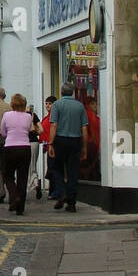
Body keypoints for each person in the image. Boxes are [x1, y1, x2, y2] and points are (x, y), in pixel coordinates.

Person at [47, 82, 89, 212]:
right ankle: (72, 203)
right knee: (73, 171)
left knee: (56, 168)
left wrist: (50, 143)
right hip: (75, 141)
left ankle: (62, 192)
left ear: (61, 92)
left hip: (60, 140)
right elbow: (84, 128)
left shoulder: (57, 105)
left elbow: (53, 126)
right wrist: (84, 147)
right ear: (72, 92)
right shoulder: (80, 106)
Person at [0, 93, 35, 215]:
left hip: (10, 147)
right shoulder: (28, 116)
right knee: (23, 177)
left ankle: (14, 197)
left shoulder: (6, 115)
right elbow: (30, 129)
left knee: (8, 175)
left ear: (12, 103)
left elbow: (3, 132)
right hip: (25, 147)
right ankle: (20, 207)